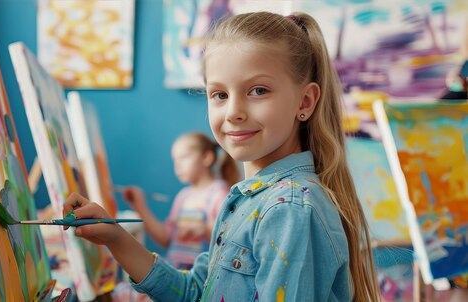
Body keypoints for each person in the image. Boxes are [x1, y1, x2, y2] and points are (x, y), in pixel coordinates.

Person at [62, 11, 380, 301]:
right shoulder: (248, 200)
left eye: (258, 90)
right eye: (220, 95)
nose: (234, 112)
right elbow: (195, 293)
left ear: (305, 102)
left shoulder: (291, 209)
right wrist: (116, 238)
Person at [122, 132, 239, 270]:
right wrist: (139, 207)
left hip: (202, 275)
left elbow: (231, 238)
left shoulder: (219, 194)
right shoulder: (183, 197)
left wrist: (204, 230)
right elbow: (165, 238)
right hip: (177, 273)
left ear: (207, 157)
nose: (177, 165)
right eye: (174, 160)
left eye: (184, 157)